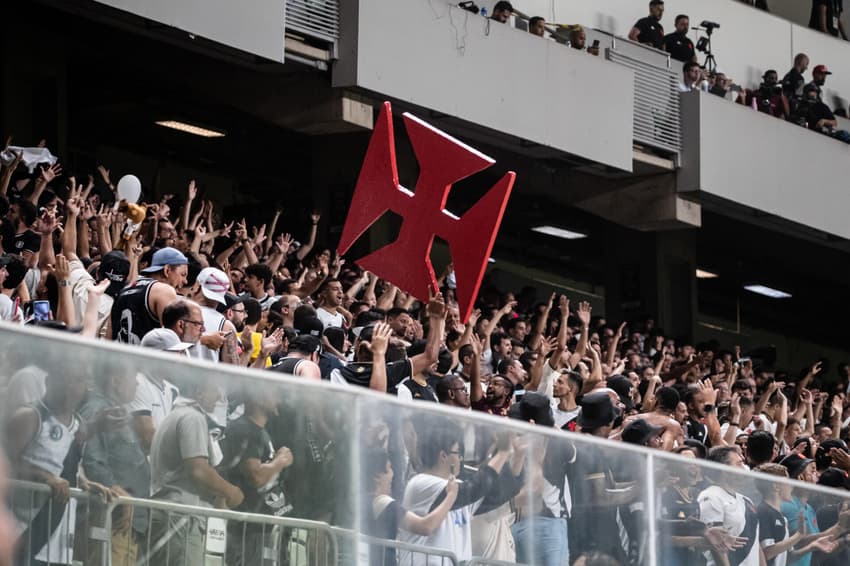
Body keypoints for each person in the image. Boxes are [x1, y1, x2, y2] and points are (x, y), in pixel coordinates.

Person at [147, 375, 244, 566]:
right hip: (180, 517)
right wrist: (231, 491)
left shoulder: (176, 415)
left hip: (171, 514)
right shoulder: (192, 418)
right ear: (199, 392)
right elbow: (198, 470)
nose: (218, 397)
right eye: (214, 391)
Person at [397, 423, 518, 565]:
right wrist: (502, 452)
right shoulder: (420, 484)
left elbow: (497, 494)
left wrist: (519, 455)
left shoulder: (456, 488)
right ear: (443, 455)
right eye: (457, 452)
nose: (460, 459)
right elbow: (474, 489)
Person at [217, 384, 295, 566]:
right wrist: (280, 462)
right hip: (252, 531)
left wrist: (274, 462)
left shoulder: (260, 431)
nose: (279, 400)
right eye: (273, 393)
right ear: (258, 399)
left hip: (270, 529)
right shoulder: (242, 429)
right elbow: (256, 476)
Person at [80, 366, 149, 566]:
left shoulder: (116, 410)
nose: (137, 383)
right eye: (133, 377)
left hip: (126, 520)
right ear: (115, 381)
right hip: (112, 516)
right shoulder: (98, 410)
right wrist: (117, 493)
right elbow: (90, 459)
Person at [361, 448, 458, 566]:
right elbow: (425, 526)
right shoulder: (381, 502)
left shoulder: (362, 501)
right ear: (376, 476)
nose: (392, 473)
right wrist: (451, 495)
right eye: (388, 469)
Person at [110, 246, 188, 344]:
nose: (185, 281)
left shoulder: (123, 290)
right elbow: (174, 338)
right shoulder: (164, 291)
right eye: (183, 274)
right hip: (145, 358)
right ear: (167, 270)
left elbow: (108, 337)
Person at [698, 446, 760, 566]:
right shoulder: (711, 496)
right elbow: (716, 543)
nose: (744, 468)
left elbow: (755, 544)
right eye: (739, 463)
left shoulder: (746, 500)